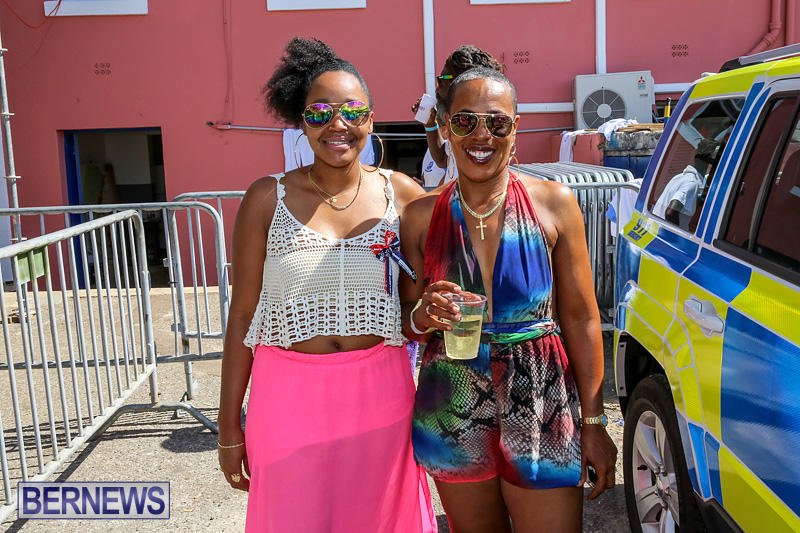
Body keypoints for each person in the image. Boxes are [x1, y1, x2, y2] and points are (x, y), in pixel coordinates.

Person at [217, 37, 436, 533]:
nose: (338, 124)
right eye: (320, 112)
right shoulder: (265, 199)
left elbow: (414, 308)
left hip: (381, 396)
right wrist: (230, 426)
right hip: (286, 398)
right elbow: (243, 316)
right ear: (301, 122)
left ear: (371, 120)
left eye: (352, 111)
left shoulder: (402, 195)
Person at [400, 67, 617, 532]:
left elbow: (581, 319)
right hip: (453, 401)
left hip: (542, 398)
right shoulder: (419, 217)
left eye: (497, 123)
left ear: (515, 128)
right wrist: (424, 313)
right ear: (445, 127)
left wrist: (595, 423)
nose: (482, 135)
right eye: (466, 121)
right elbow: (406, 322)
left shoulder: (554, 203)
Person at [413, 45, 503, 190]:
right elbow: (443, 160)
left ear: (462, 82)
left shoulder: (479, 128)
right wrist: (430, 124)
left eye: (443, 78)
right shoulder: (459, 121)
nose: (438, 86)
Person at [652, 138, 719, 228]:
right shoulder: (692, 183)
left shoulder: (680, 177)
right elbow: (670, 213)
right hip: (664, 233)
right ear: (708, 162)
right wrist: (676, 234)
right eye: (717, 161)